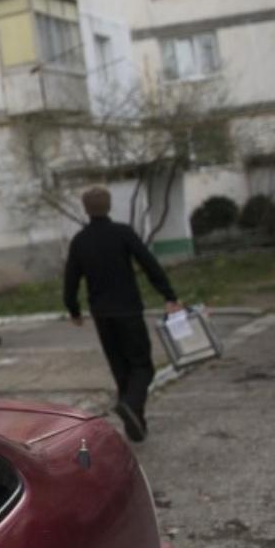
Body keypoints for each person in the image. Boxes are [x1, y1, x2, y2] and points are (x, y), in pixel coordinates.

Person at [63, 187, 184, 442]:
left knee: (121, 369)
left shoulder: (80, 240)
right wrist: (169, 294)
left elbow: (71, 279)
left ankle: (135, 427)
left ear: (86, 209)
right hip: (128, 309)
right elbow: (149, 264)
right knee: (142, 366)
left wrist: (73, 309)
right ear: (109, 206)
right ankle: (129, 404)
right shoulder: (123, 233)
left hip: (102, 315)